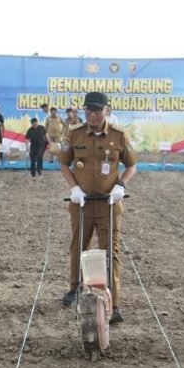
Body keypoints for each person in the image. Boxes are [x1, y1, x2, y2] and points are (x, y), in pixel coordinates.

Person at [59, 91, 137, 324]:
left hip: (108, 204)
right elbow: (64, 163)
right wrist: (74, 188)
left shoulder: (118, 135)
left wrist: (120, 185)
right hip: (81, 203)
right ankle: (74, 288)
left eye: (98, 110)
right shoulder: (74, 134)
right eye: (89, 110)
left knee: (110, 252)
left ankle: (113, 301)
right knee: (78, 246)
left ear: (107, 110)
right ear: (85, 111)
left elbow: (131, 165)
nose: (93, 114)